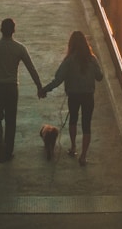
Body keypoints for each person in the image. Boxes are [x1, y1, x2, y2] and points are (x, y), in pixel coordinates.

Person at [0, 18, 43, 163]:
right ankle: (8, 151)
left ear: (1, 30)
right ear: (14, 30)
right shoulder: (19, 48)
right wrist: (39, 86)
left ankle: (0, 145)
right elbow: (31, 68)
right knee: (10, 120)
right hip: (12, 88)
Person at [41, 31, 103, 166]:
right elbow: (99, 77)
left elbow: (58, 79)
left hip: (73, 95)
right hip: (88, 95)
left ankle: (73, 147)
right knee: (86, 125)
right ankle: (83, 156)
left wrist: (44, 90)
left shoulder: (68, 61)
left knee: (73, 120)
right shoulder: (92, 59)